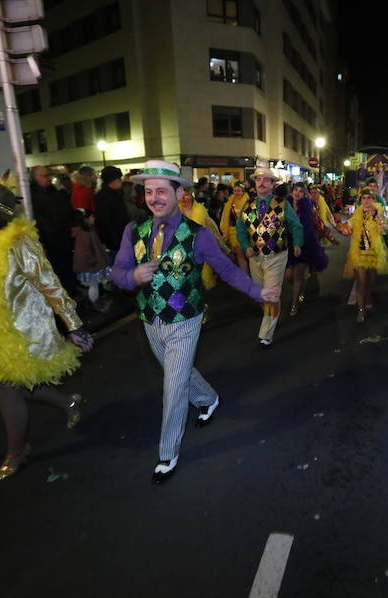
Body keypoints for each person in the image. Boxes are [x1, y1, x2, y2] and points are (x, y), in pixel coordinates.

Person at [110, 160, 280, 484]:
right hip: (150, 319)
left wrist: (259, 292)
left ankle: (167, 453)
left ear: (179, 193)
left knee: (172, 386)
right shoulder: (134, 231)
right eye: (149, 191)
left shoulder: (198, 235)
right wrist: (132, 275)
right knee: (180, 371)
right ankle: (208, 399)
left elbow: (227, 270)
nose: (154, 198)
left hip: (186, 320)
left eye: (162, 191)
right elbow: (116, 273)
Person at [0, 182, 94, 483]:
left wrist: (74, 325)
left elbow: (50, 286)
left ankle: (16, 451)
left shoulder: (20, 244)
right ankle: (68, 402)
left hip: (19, 331)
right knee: (19, 383)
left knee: (5, 391)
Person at [236, 168, 304, 348]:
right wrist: (245, 247)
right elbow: (240, 229)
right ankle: (271, 312)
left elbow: (296, 225)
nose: (262, 183)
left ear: (273, 184)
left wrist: (297, 243)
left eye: (267, 180)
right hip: (255, 258)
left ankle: (266, 334)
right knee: (261, 295)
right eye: (259, 179)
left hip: (276, 256)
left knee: (272, 295)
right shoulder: (247, 204)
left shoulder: (282, 204)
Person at [337, 189, 388, 322]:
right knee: (361, 281)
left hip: (374, 253)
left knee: (371, 280)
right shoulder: (356, 215)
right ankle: (361, 310)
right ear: (360, 200)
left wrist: (377, 217)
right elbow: (347, 231)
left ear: (373, 200)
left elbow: (384, 230)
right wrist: (339, 226)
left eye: (369, 198)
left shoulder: (379, 214)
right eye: (364, 198)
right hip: (359, 252)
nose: (367, 200)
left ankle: (368, 297)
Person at [30, 166, 78, 296]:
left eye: (48, 175)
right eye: (44, 176)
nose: (48, 179)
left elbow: (66, 210)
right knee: (56, 270)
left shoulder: (55, 191)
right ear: (35, 178)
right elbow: (41, 220)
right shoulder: (32, 196)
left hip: (63, 237)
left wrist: (71, 225)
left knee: (67, 267)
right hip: (50, 241)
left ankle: (72, 291)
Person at [286, 182, 328, 316]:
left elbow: (313, 225)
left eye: (301, 191)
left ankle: (294, 304)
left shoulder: (309, 206)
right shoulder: (285, 205)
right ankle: (300, 288)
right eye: (296, 190)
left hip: (303, 245)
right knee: (288, 276)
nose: (297, 193)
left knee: (298, 275)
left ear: (305, 195)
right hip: (287, 245)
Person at [94, 166, 129, 256]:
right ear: (114, 180)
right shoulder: (104, 197)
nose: (121, 181)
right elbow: (105, 222)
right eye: (119, 179)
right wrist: (114, 242)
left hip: (121, 238)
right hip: (116, 242)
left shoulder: (116, 194)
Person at [219, 181, 251, 273]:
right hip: (234, 232)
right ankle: (245, 278)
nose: (237, 192)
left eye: (239, 190)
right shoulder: (230, 202)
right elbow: (226, 217)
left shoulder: (248, 202)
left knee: (247, 256)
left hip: (246, 232)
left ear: (243, 192)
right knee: (240, 255)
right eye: (235, 190)